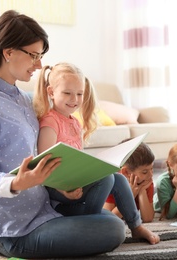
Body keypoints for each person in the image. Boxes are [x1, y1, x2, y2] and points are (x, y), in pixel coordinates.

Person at [0, 10, 153, 259]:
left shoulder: (25, 99)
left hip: (47, 208)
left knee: (109, 187)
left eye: (41, 56)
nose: (39, 65)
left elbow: (63, 109)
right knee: (114, 228)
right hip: (16, 230)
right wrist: (17, 183)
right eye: (33, 55)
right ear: (8, 52)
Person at [34, 63, 159, 241]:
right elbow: (43, 165)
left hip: (74, 184)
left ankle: (136, 226)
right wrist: (63, 190)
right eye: (67, 93)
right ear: (51, 92)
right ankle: (90, 218)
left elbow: (77, 160)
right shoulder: (50, 122)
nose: (74, 99)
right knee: (107, 178)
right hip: (57, 192)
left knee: (118, 178)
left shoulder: (75, 123)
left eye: (79, 93)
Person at [103, 140, 155, 223]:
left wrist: (142, 191)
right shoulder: (112, 183)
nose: (151, 175)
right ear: (126, 172)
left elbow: (148, 218)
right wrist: (129, 195)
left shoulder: (145, 182)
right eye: (144, 172)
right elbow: (108, 218)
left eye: (152, 169)